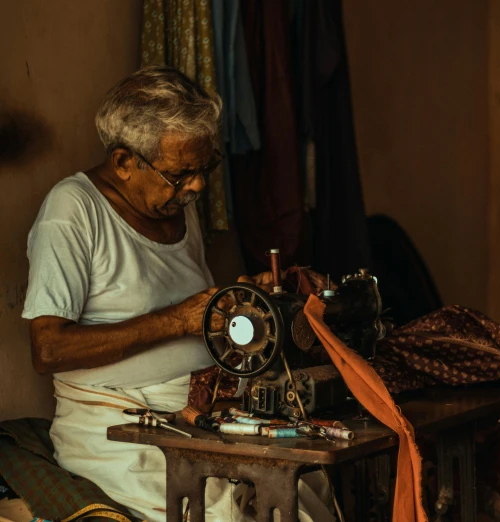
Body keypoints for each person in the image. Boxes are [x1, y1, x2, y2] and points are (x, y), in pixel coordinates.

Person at [22, 66, 333, 522]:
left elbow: (193, 312)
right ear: (124, 162)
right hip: (120, 433)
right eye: (180, 174)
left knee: (305, 489)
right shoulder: (72, 212)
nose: (197, 186)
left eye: (205, 168)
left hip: (199, 419)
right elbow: (47, 348)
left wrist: (235, 303)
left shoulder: (175, 210)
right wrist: (179, 319)